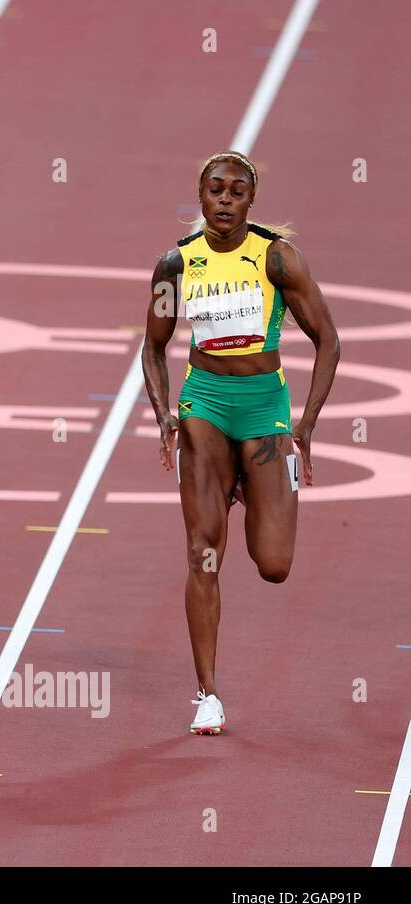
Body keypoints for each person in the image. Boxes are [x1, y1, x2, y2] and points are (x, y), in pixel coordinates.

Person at [142, 150, 340, 734]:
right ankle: (207, 693)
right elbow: (154, 346)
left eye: (236, 192)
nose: (224, 201)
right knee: (204, 551)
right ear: (199, 198)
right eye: (214, 190)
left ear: (251, 201)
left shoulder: (277, 259)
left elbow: (327, 339)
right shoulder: (176, 265)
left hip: (263, 411)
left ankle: (256, 487)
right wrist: (164, 416)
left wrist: (305, 423)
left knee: (274, 564)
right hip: (203, 406)